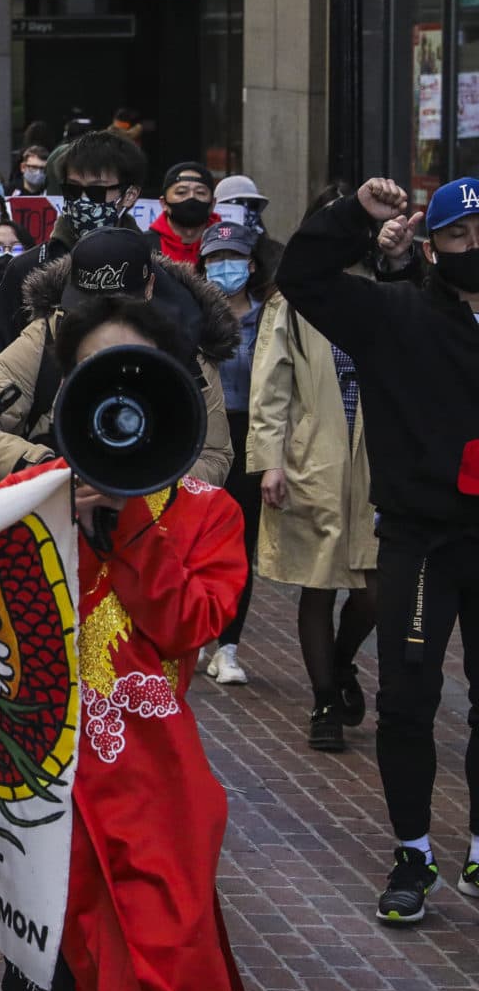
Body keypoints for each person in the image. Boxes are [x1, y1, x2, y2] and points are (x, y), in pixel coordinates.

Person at [0, 295, 252, 991]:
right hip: (43, 788)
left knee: (159, 983)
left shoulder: (208, 514)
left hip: (153, 790)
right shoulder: (21, 502)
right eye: (91, 373)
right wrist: (50, 516)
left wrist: (132, 518)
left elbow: (187, 626)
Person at [276, 175, 479, 922]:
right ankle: (414, 851)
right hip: (421, 541)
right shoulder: (394, 317)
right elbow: (301, 277)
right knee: (408, 702)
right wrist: (355, 217)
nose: (474, 247)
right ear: (433, 245)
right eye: (458, 235)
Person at [0, 227, 236, 489]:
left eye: (118, 307)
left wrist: (150, 479)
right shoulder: (47, 335)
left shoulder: (189, 351)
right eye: (88, 306)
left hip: (155, 527)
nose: (102, 321)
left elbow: (214, 456)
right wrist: (52, 472)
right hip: (60, 515)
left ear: (148, 289)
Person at [249, 200, 380, 751]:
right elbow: (271, 387)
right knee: (318, 582)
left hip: (376, 463)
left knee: (376, 588)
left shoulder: (386, 295)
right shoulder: (292, 303)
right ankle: (325, 697)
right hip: (313, 458)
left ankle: (343, 661)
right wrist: (270, 461)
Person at [194, 220, 273, 690]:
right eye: (215, 259)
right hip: (202, 436)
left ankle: (227, 647)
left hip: (253, 436)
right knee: (193, 540)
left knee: (239, 545)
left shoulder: (272, 318)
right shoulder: (191, 320)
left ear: (252, 263)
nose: (225, 268)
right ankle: (196, 631)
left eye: (234, 258)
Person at [0, 131, 147, 356]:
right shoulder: (27, 270)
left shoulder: (152, 268)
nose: (82, 200)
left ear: (130, 195)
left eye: (95, 191)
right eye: (72, 189)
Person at [148, 162, 219, 264]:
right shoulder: (144, 247)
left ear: (213, 204)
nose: (191, 197)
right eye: (181, 192)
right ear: (163, 203)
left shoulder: (227, 245)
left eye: (200, 192)